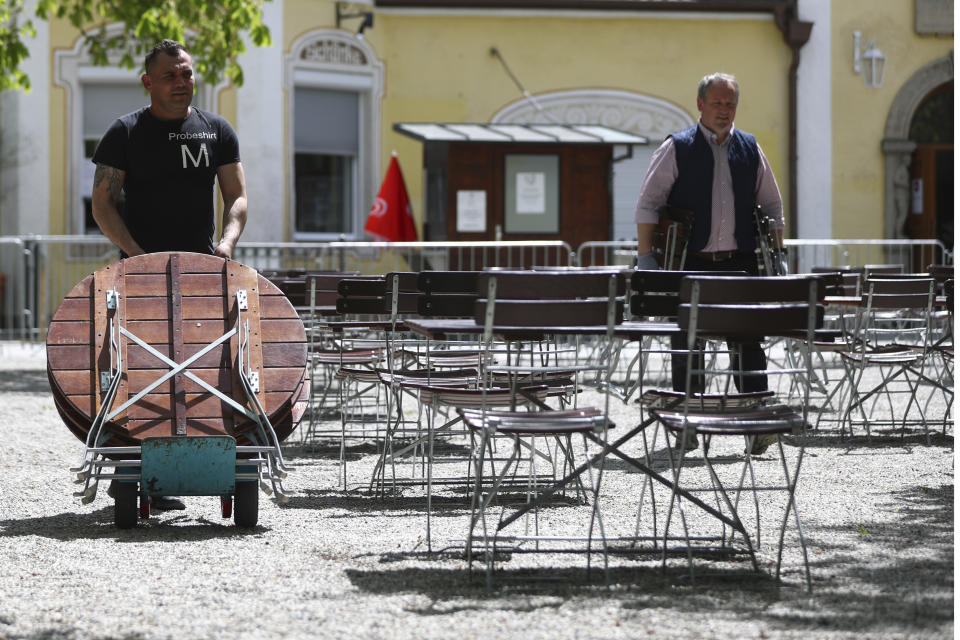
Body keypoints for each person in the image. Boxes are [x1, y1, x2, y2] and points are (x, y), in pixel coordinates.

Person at [91, 40, 249, 509]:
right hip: (137, 275)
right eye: (170, 76)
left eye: (187, 74)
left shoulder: (216, 130)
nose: (181, 83)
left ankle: (206, 456)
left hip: (203, 270)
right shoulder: (124, 133)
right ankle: (137, 469)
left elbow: (237, 197)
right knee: (137, 373)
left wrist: (226, 243)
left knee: (205, 370)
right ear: (148, 82)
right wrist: (136, 255)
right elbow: (102, 204)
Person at [634, 72, 784, 454]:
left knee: (749, 342)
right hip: (689, 262)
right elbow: (649, 203)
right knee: (687, 344)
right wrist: (645, 256)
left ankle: (756, 423)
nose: (724, 110)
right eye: (717, 103)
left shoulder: (750, 148)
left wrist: (778, 255)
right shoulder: (677, 147)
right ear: (700, 104)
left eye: (730, 103)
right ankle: (687, 425)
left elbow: (771, 205)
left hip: (739, 263)